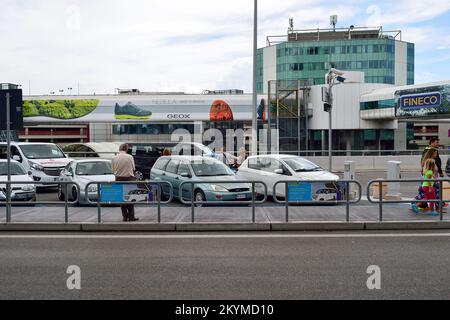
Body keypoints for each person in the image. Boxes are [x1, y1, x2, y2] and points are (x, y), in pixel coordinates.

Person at [112, 143, 139, 222]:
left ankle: (125, 216)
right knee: (130, 198)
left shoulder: (114, 157)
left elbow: (113, 170)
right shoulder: (130, 157)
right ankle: (131, 216)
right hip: (129, 179)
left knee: (121, 199)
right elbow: (133, 168)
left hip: (118, 179)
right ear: (126, 149)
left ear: (119, 149)